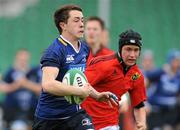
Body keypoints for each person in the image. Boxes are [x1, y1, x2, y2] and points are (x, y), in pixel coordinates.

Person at [33, 5, 116, 130]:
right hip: (49, 120)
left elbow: (80, 80)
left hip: (75, 116)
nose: (82, 24)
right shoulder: (54, 51)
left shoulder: (84, 49)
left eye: (82, 20)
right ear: (63, 25)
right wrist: (79, 92)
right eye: (76, 20)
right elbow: (48, 84)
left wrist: (97, 95)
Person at [82, 29, 147, 130]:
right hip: (87, 122)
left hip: (111, 124)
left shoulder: (137, 75)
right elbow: (80, 85)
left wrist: (141, 123)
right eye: (128, 49)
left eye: (136, 50)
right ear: (120, 49)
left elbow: (139, 105)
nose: (132, 55)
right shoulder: (103, 65)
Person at [2, 49, 40, 127]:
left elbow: (41, 89)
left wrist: (26, 83)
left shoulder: (33, 72)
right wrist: (16, 85)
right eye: (21, 59)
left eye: (25, 59)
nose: (23, 61)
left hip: (32, 111)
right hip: (14, 111)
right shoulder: (11, 72)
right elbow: (3, 88)